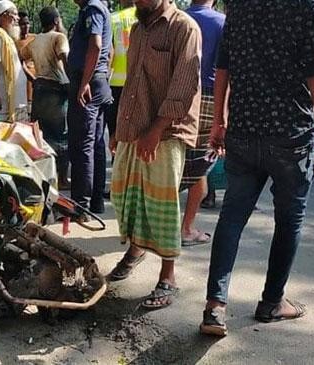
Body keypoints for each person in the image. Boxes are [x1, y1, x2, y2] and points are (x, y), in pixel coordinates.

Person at [200, 0, 314, 336]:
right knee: (289, 219)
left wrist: (219, 120)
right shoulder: (310, 4)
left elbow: (223, 65)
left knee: (231, 216)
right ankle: (272, 302)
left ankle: (215, 307)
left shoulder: (239, 5)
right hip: (290, 135)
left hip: (244, 131)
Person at [107, 0, 201, 309]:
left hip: (167, 132)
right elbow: (131, 83)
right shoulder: (137, 29)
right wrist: (120, 130)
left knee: (162, 203)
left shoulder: (184, 28)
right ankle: (135, 251)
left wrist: (156, 131)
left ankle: (168, 277)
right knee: (127, 196)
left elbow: (184, 86)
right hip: (134, 129)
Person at [176, 0, 225, 246]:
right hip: (209, 97)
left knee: (181, 161)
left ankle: (168, 227)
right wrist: (225, 115)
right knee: (198, 166)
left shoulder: (177, 18)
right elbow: (227, 70)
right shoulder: (222, 22)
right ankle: (185, 229)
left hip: (179, 95)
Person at [67, 0, 113, 214]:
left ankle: (80, 206)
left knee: (82, 145)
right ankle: (95, 201)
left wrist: (85, 82)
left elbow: (96, 45)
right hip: (98, 81)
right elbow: (108, 51)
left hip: (88, 84)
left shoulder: (92, 9)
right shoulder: (100, 9)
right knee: (95, 144)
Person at [21, 7, 70, 188]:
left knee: (41, 136)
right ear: (57, 21)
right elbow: (64, 57)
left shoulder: (34, 41)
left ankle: (42, 175)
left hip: (39, 90)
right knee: (61, 137)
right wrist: (72, 82)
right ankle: (63, 179)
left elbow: (21, 58)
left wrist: (32, 78)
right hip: (57, 92)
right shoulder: (59, 37)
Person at [106, 0, 136, 154]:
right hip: (138, 84)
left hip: (116, 84)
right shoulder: (145, 18)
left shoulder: (112, 19)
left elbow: (108, 52)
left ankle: (118, 166)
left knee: (115, 135)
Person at [16, 11, 36, 105]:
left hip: (37, 75)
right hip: (23, 76)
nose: (26, 26)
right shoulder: (14, 41)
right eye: (23, 24)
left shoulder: (35, 38)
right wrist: (32, 78)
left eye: (27, 23)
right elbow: (20, 62)